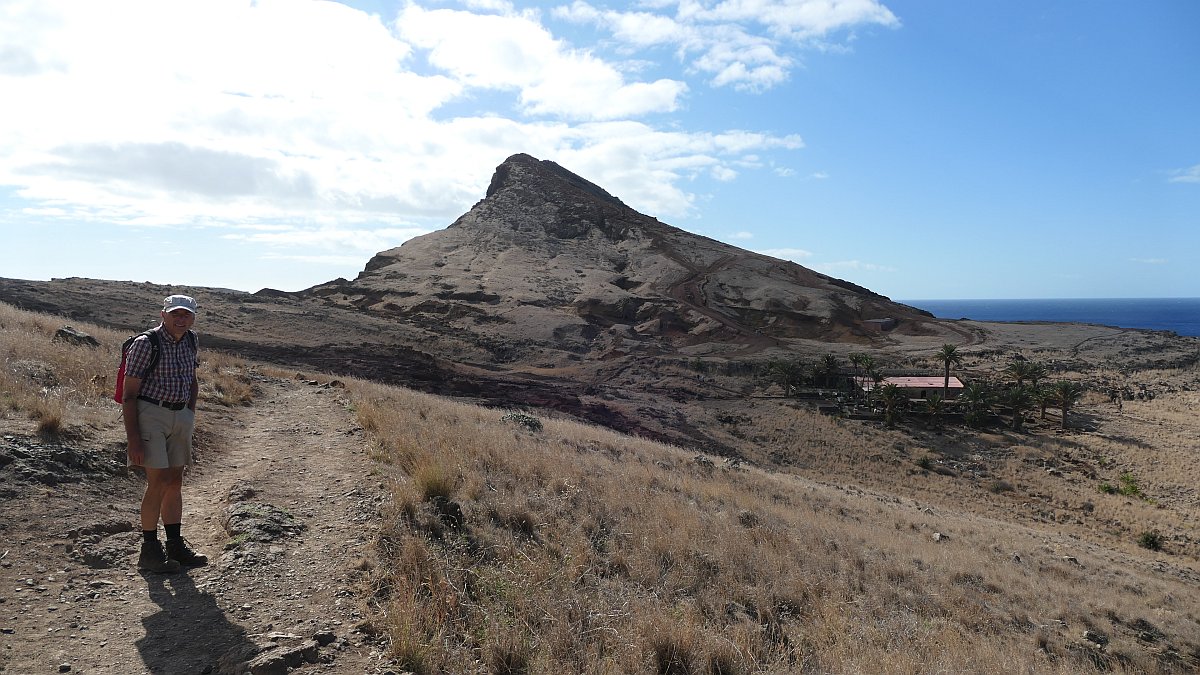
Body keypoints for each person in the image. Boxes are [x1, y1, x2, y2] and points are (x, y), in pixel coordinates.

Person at [121, 294, 207, 573]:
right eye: (175, 314)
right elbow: (129, 394)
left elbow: (191, 380)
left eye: (186, 315)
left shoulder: (192, 340)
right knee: (156, 482)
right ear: (163, 315)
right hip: (151, 414)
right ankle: (149, 550)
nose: (181, 320)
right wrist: (133, 438)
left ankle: (174, 545)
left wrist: (189, 412)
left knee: (174, 482)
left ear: (193, 317)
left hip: (180, 414)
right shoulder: (146, 344)